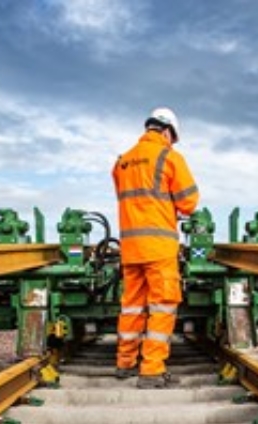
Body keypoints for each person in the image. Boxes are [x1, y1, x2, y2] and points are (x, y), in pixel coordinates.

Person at [112, 107, 200, 388]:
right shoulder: (169, 157)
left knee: (132, 307)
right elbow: (189, 203)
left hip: (130, 247)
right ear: (166, 131)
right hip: (159, 247)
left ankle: (125, 363)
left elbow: (127, 198)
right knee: (162, 307)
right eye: (172, 138)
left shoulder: (122, 162)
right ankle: (151, 370)